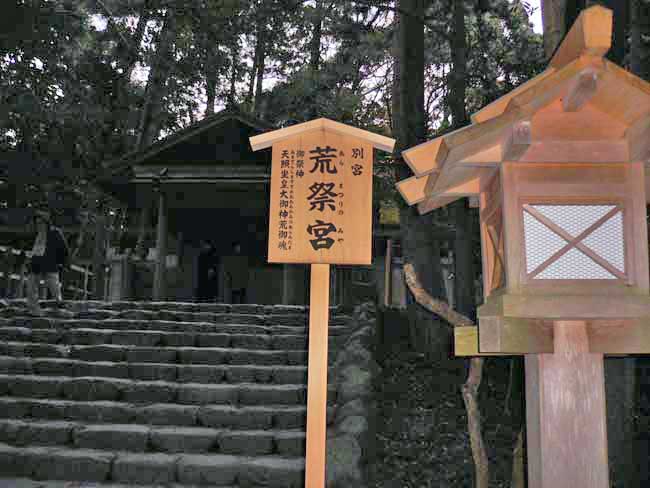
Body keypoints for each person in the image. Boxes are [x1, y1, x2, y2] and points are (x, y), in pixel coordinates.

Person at [25, 209, 69, 315]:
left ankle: (60, 305)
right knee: (31, 286)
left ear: (46, 223)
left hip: (49, 263)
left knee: (54, 287)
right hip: (35, 263)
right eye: (37, 223)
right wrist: (27, 259)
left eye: (41, 223)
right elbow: (26, 247)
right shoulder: (33, 234)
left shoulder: (55, 233)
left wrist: (63, 263)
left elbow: (64, 249)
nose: (39, 225)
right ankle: (34, 310)